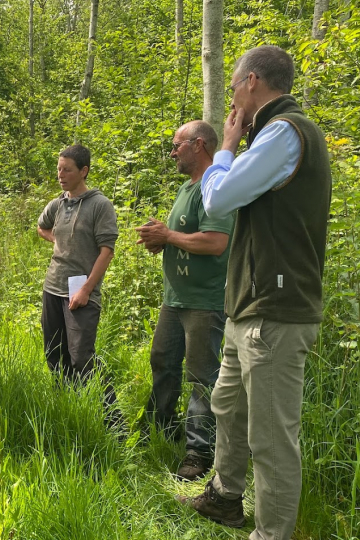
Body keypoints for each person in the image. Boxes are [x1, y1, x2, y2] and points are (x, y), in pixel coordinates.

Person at [179, 45, 332, 540]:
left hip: (276, 309)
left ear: (250, 82)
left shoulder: (286, 133)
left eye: (234, 89)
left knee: (270, 436)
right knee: (228, 403)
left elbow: (219, 194)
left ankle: (272, 533)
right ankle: (225, 497)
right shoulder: (271, 136)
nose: (232, 103)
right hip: (249, 306)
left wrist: (225, 144)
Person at [136, 120, 234, 481]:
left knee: (200, 377)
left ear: (200, 145)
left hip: (204, 302)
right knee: (162, 360)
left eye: (177, 145)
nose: (173, 151)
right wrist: (162, 238)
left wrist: (169, 235)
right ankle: (161, 430)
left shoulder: (215, 189)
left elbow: (215, 242)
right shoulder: (186, 188)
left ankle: (198, 453)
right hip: (174, 299)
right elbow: (184, 235)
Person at [37, 144, 120, 425]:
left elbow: (106, 250)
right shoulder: (58, 204)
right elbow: (42, 226)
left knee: (82, 357)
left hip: (80, 289)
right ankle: (70, 413)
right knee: (54, 354)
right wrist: (56, 241)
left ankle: (113, 422)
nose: (61, 174)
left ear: (83, 171)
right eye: (59, 168)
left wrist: (86, 288)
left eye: (67, 169)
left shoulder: (100, 205)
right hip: (53, 286)